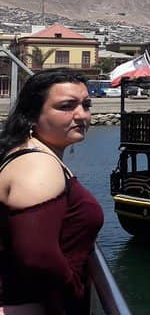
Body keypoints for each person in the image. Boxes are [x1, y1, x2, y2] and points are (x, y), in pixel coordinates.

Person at [0, 69, 104, 315]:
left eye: (86, 105)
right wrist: (74, 294)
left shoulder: (29, 153)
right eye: (66, 106)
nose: (82, 115)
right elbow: (39, 257)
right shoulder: (38, 165)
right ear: (32, 115)